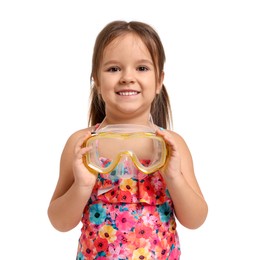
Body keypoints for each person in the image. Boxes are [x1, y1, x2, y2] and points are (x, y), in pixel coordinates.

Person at [47, 20, 208, 260]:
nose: (127, 77)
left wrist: (174, 177)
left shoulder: (172, 145)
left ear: (159, 81)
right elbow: (59, 222)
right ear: (97, 81)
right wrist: (81, 187)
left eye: (142, 68)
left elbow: (195, 219)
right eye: (113, 69)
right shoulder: (82, 144)